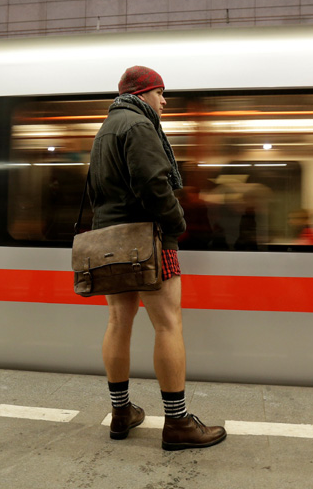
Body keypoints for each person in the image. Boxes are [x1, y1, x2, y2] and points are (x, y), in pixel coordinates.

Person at [88, 65, 226, 451]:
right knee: (168, 324)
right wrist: (177, 221)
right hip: (148, 240)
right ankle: (177, 422)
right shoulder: (139, 125)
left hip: (110, 240)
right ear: (143, 93)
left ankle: (121, 412)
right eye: (161, 93)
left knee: (118, 321)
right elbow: (153, 183)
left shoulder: (106, 130)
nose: (164, 101)